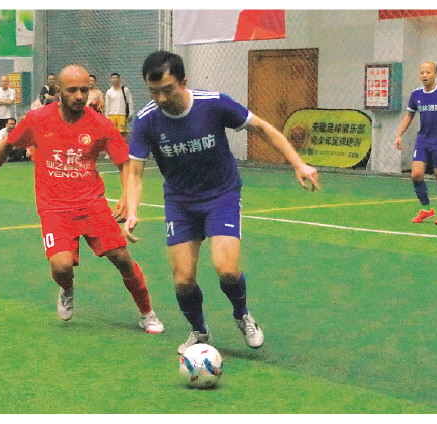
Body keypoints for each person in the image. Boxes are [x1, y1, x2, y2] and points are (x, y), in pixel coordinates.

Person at [122, 50, 319, 354]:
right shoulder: (146, 120)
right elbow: (135, 171)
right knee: (183, 280)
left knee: (227, 269)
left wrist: (298, 163)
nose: (161, 98)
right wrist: (133, 210)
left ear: (183, 81)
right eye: (153, 91)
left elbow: (262, 128)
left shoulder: (213, 104)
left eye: (167, 89)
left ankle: (242, 315)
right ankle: (199, 331)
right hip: (180, 203)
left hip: (221, 196)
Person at [0, 64, 164, 334]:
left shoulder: (100, 124)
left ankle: (147, 312)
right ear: (59, 90)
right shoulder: (37, 119)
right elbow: (5, 146)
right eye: (72, 90)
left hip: (92, 204)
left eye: (84, 90)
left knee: (122, 258)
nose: (79, 96)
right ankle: (66, 288)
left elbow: (124, 163)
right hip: (54, 208)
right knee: (61, 266)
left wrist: (126, 195)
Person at [395, 62, 437, 225]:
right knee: (416, 174)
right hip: (423, 140)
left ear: (435, 75)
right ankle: (426, 209)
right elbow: (409, 115)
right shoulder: (416, 94)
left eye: (428, 72)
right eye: (422, 73)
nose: (424, 75)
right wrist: (399, 135)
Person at [0, 75, 16, 149]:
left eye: (5, 81)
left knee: (7, 136)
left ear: (8, 82)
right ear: (0, 82)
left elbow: (10, 102)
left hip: (7, 118)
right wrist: (5, 101)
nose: (4, 83)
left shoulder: (12, 91)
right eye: (2, 81)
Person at [105, 72, 134, 136]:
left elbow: (130, 102)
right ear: (111, 80)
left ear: (119, 79)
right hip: (111, 115)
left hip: (122, 115)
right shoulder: (109, 92)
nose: (115, 80)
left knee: (122, 134)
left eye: (116, 78)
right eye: (113, 78)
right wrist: (106, 117)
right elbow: (107, 105)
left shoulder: (125, 90)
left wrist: (130, 113)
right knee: (112, 133)